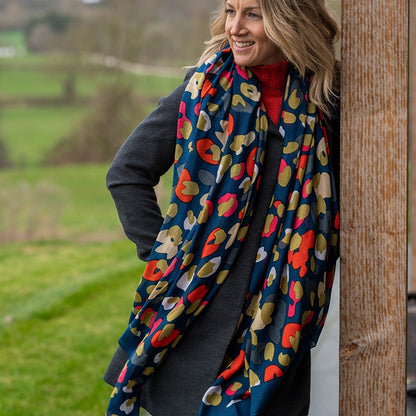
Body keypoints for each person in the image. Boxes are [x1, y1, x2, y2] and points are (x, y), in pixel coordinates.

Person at [104, 0, 340, 415]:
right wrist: (169, 257)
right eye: (231, 11)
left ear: (291, 20)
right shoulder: (202, 91)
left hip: (280, 320)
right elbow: (126, 174)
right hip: (195, 320)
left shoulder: (326, 102)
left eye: (253, 14)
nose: (235, 27)